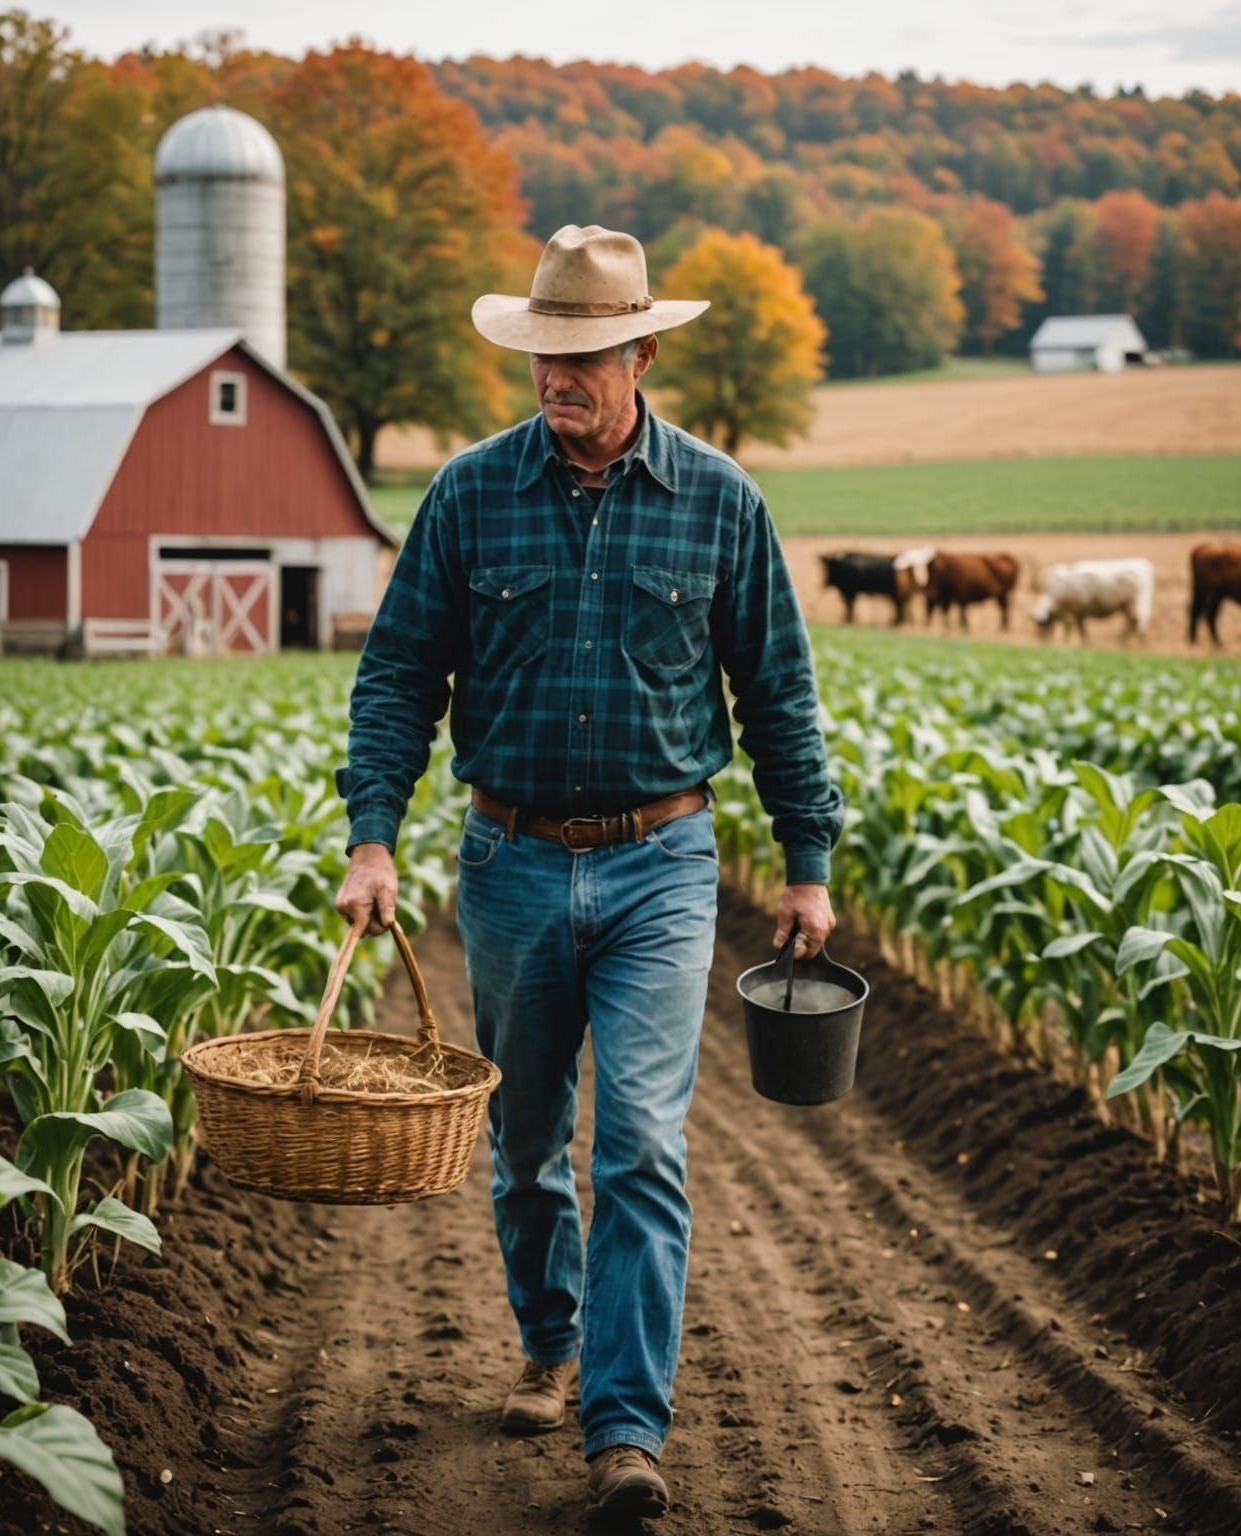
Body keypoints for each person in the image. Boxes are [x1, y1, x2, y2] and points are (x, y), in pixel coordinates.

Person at [334, 224, 842, 1523]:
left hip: (663, 863)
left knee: (641, 1148)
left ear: (644, 351)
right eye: (543, 357)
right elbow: (398, 674)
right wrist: (372, 836)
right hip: (507, 858)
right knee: (522, 1149)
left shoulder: (722, 500)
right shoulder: (467, 494)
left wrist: (807, 864)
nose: (558, 379)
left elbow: (777, 691)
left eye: (585, 357)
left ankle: (624, 1428)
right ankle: (550, 1342)